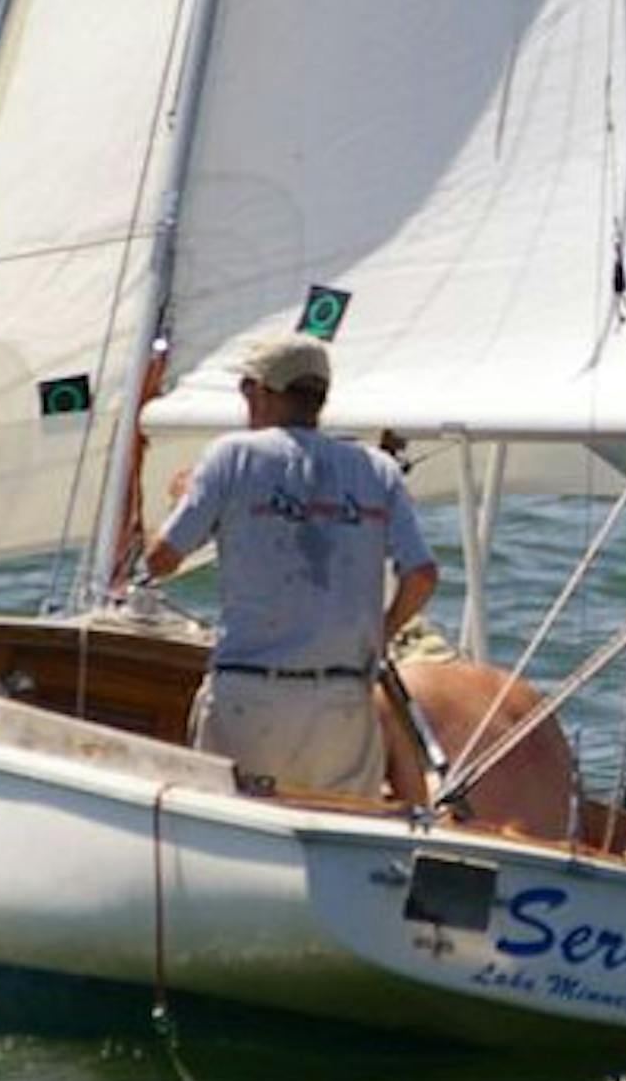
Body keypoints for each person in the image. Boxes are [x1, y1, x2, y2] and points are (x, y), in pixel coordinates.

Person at [142, 334, 438, 798]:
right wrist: (382, 632)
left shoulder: (232, 456)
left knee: (230, 829)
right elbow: (421, 575)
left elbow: (160, 561)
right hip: (341, 700)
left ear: (258, 392)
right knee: (343, 830)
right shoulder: (377, 470)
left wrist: (184, 502)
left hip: (250, 696)